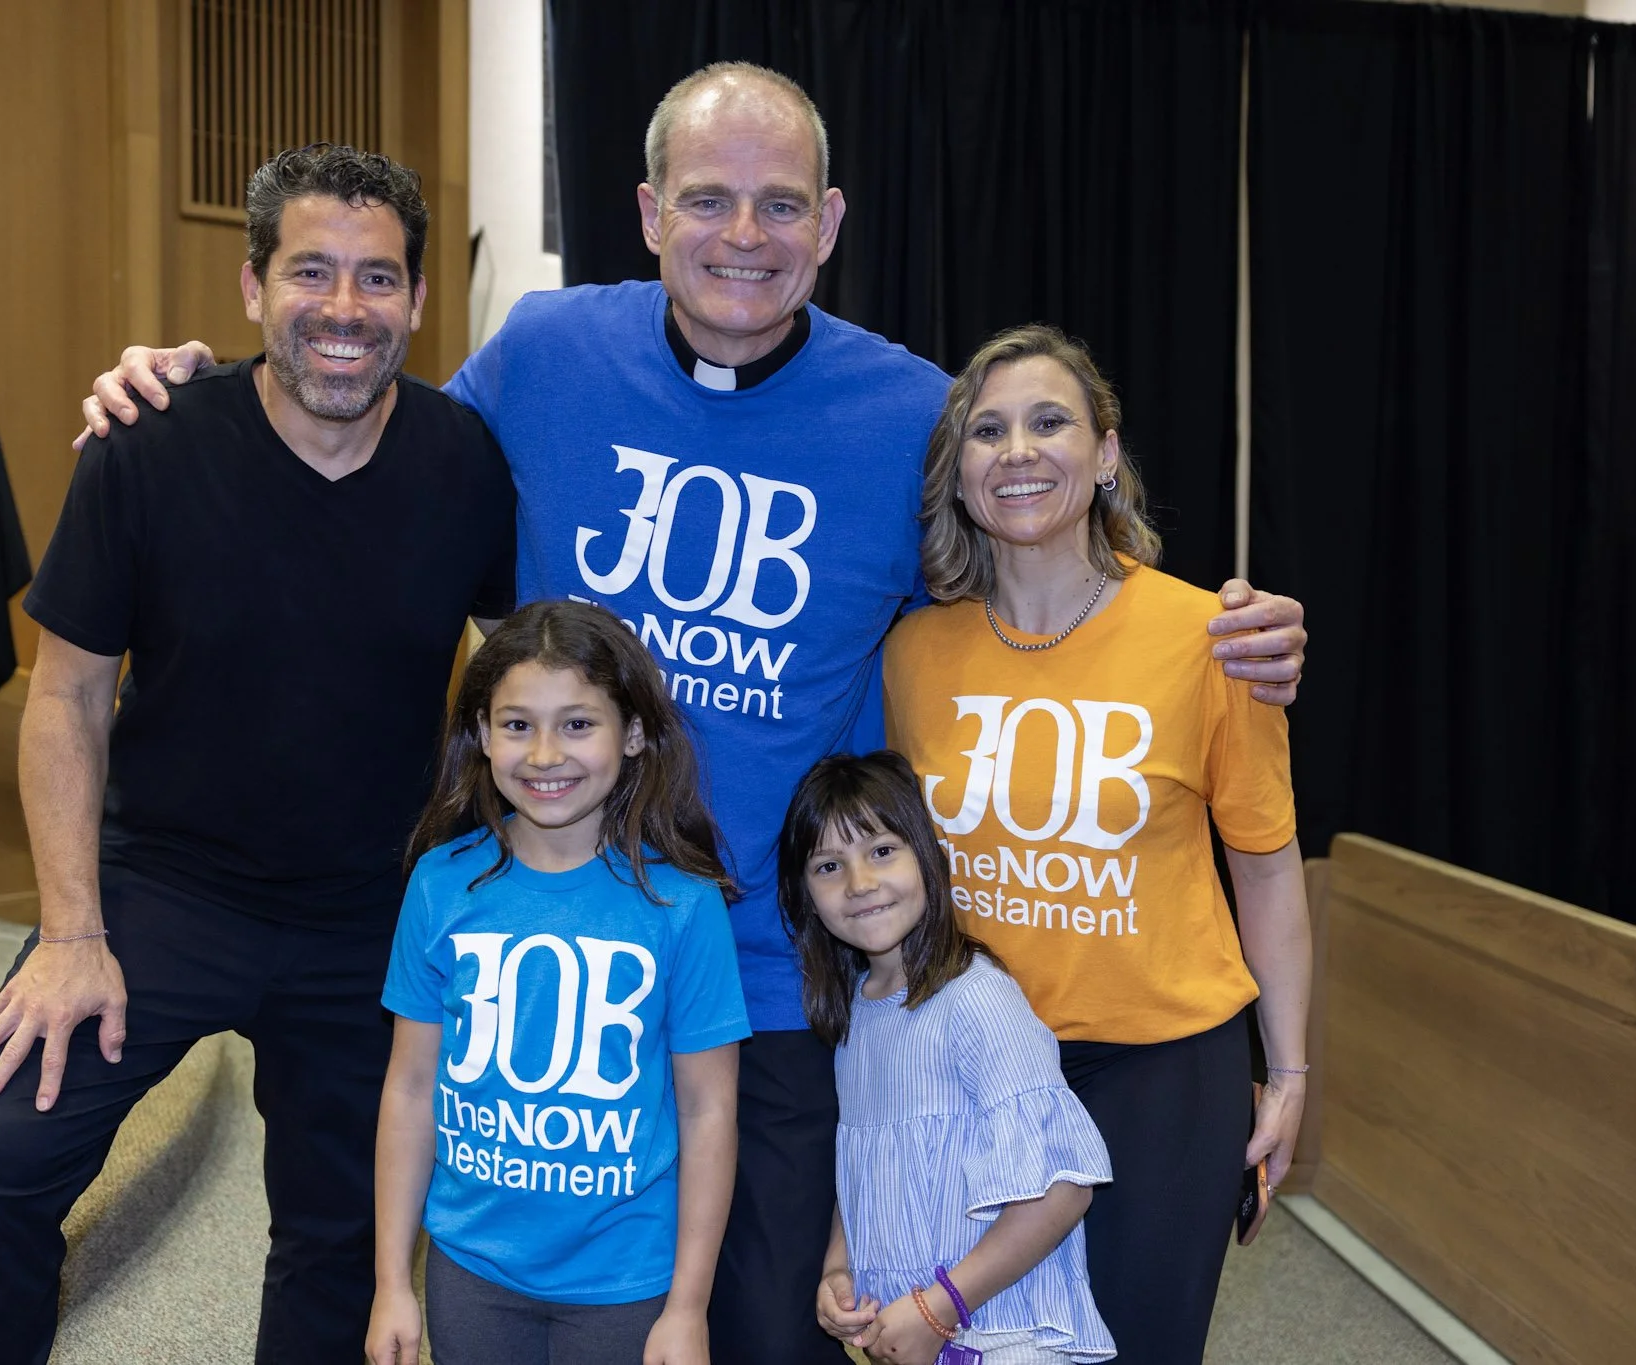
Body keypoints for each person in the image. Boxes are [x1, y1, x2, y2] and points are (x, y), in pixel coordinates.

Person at [73, 62, 1308, 1358]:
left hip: (773, 975)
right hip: (557, 951)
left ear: (830, 226)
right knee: (534, 1310)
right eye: (707, 200)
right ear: (651, 214)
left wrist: (1220, 626)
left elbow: (1039, 575)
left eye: (781, 207)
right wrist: (196, 391)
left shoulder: (911, 415)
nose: (743, 236)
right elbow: (372, 443)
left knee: (760, 1332)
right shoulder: (547, 354)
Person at [0, 145, 517, 1364]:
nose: (345, 311)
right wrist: (71, 934)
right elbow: (67, 700)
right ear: (250, 288)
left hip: (369, 907)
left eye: (378, 279)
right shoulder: (148, 444)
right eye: (311, 273)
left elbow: (512, 689)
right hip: (159, 887)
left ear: (414, 299)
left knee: (346, 1232)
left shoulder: (464, 464)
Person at [884, 323, 1312, 1364]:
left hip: (1160, 1078)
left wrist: (1290, 1071)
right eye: (985, 431)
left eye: (1048, 423)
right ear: (957, 471)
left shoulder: (1213, 640)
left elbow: (1263, 865)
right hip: (973, 1071)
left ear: (1105, 452)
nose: (1017, 451)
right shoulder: (909, 652)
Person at [367, 599, 749, 1365]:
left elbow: (709, 1110)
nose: (545, 754)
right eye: (517, 724)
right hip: (470, 1269)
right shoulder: (441, 885)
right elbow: (410, 1087)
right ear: (480, 733)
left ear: (634, 733)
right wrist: (390, 1283)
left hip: (626, 1279)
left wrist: (689, 1305)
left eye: (578, 723)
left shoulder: (684, 905)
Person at [779, 751, 1115, 1365]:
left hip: (1002, 1336)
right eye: (830, 865)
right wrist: (838, 1269)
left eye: (882, 851)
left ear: (929, 859)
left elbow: (1063, 1189)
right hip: (914, 1335)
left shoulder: (978, 998)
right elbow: (867, 1165)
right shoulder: (855, 1011)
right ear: (803, 894)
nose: (859, 884)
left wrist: (942, 1306)